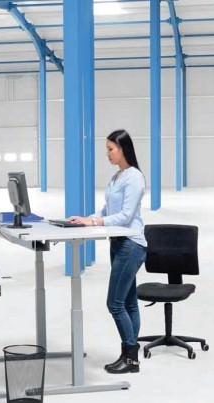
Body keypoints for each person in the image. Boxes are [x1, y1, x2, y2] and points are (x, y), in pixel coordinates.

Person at [67, 129, 147, 374]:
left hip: (131, 244)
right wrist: (86, 218)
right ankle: (129, 357)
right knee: (129, 302)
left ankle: (131, 357)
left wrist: (95, 222)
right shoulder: (117, 177)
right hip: (118, 243)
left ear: (123, 149)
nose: (107, 153)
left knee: (114, 303)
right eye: (107, 149)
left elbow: (126, 215)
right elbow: (106, 210)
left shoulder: (134, 177)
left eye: (110, 149)